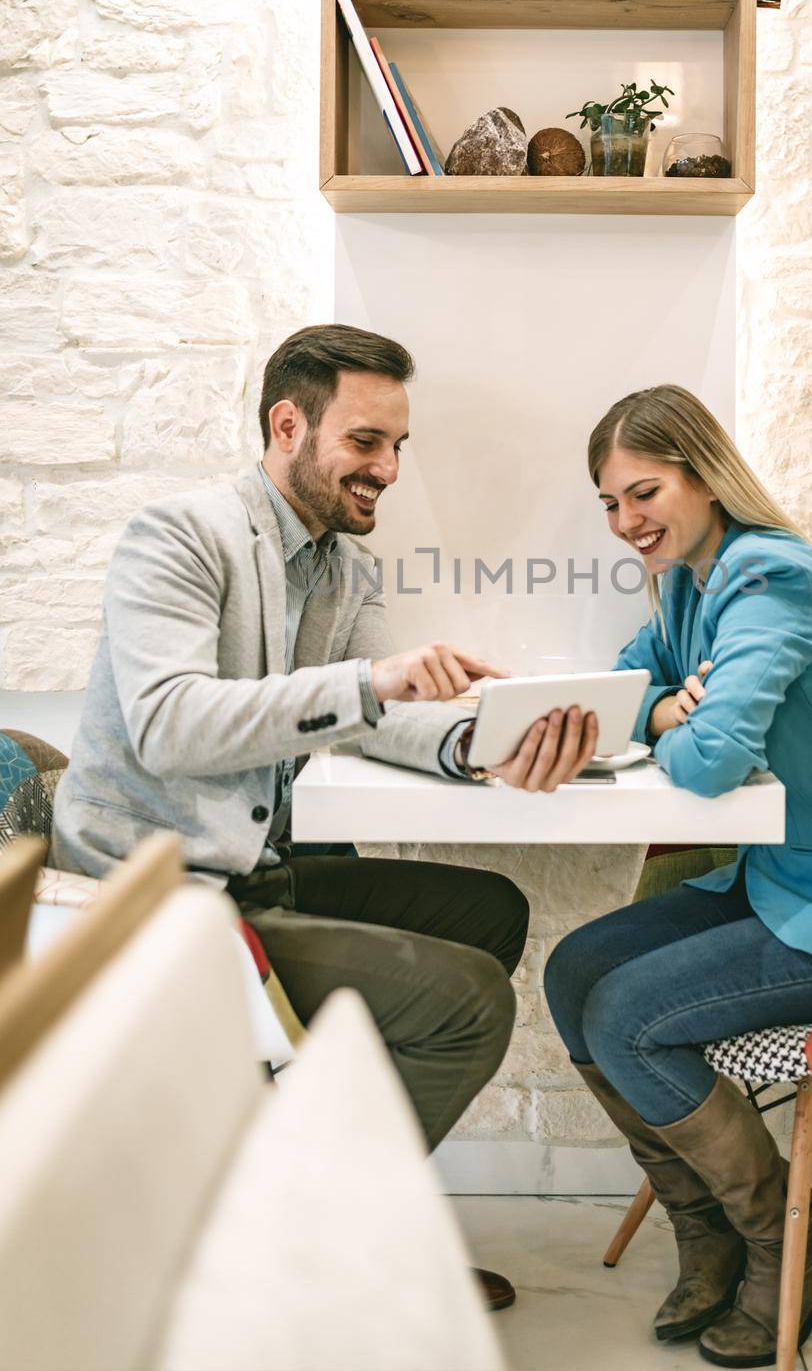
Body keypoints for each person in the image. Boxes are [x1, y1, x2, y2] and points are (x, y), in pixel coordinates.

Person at [53, 323, 597, 1312]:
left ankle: (304, 1180)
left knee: (490, 912)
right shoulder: (179, 536)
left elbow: (385, 710)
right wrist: (367, 680)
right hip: (152, 904)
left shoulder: (341, 571)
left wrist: (485, 741)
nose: (387, 468)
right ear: (287, 423)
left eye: (397, 446)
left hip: (245, 877)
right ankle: (316, 1250)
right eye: (365, 441)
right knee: (469, 999)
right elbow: (169, 724)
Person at [543, 384, 812, 1366]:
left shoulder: (766, 577)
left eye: (641, 492)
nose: (624, 521)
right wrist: (661, 708)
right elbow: (623, 685)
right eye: (607, 503)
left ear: (701, 473)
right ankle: (708, 1234)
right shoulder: (687, 578)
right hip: (777, 877)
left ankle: (790, 1246)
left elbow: (710, 765)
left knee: (625, 1018)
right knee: (572, 974)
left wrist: (684, 721)